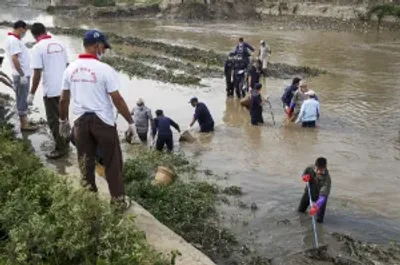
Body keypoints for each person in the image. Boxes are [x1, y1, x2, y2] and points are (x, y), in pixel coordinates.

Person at [59, 29, 135, 207]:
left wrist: (63, 121)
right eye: (104, 47)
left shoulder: (70, 69)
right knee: (112, 163)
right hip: (103, 122)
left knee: (85, 162)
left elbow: (64, 99)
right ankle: (117, 202)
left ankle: (89, 201)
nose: (104, 51)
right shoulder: (105, 70)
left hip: (80, 122)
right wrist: (130, 122)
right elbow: (117, 99)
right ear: (97, 46)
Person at [28, 22, 69, 159]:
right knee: (64, 117)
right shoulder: (60, 43)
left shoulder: (37, 48)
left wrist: (32, 94)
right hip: (65, 89)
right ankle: (66, 141)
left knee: (54, 120)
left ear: (34, 35)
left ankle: (61, 148)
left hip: (51, 90)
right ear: (45, 31)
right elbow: (68, 66)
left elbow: (37, 73)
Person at [5, 20, 37, 131]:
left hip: (21, 74)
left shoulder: (16, 40)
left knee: (22, 97)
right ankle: (24, 125)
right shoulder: (14, 41)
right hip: (21, 75)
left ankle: (25, 121)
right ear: (20, 28)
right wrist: (22, 74)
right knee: (22, 98)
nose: (25, 32)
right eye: (25, 30)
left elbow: (21, 54)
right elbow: (14, 58)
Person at [298, 157, 331, 223]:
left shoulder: (327, 179)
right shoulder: (310, 168)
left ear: (325, 168)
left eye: (321, 170)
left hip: (320, 198)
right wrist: (304, 177)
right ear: (315, 166)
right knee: (300, 211)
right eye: (317, 169)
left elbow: (323, 196)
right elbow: (304, 174)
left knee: (319, 220)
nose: (318, 172)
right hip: (309, 192)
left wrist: (316, 206)